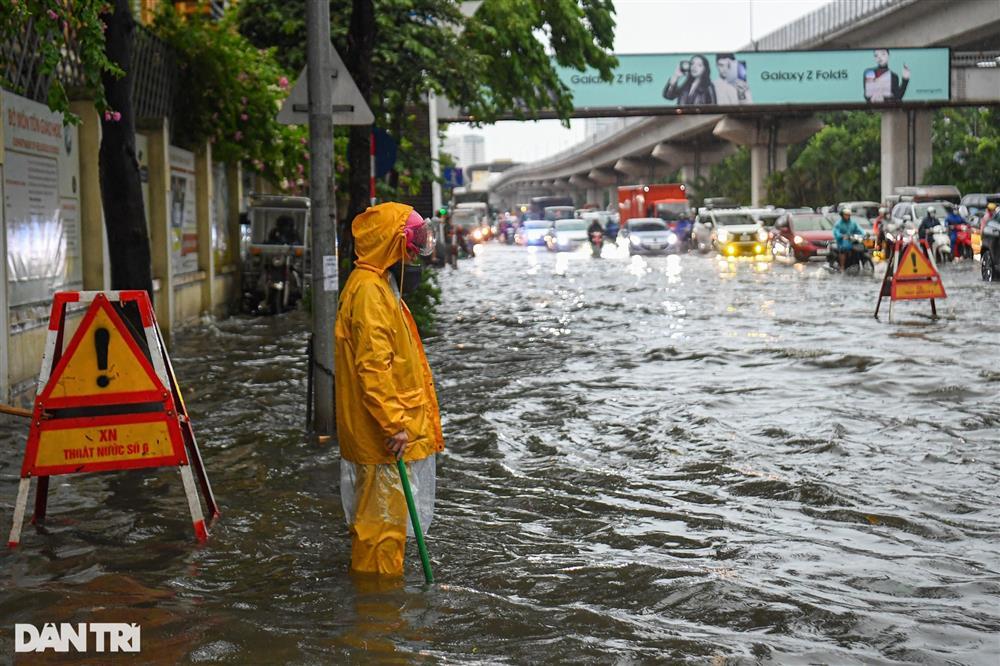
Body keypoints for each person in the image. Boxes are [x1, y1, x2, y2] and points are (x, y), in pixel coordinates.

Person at [334, 203, 444, 577]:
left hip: (384, 434)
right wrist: (393, 423)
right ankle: (377, 615)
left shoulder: (376, 285)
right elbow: (373, 366)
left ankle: (378, 609)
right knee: (380, 531)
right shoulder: (369, 292)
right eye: (410, 241)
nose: (414, 251)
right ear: (390, 241)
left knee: (383, 525)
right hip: (383, 438)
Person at [832, 207, 865, 271]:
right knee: (844, 249)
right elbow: (836, 232)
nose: (847, 216)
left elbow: (859, 229)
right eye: (846, 215)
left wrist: (864, 234)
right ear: (842, 215)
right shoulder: (838, 224)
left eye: (848, 215)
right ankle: (842, 266)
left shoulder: (853, 223)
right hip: (841, 241)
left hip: (852, 240)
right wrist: (841, 236)